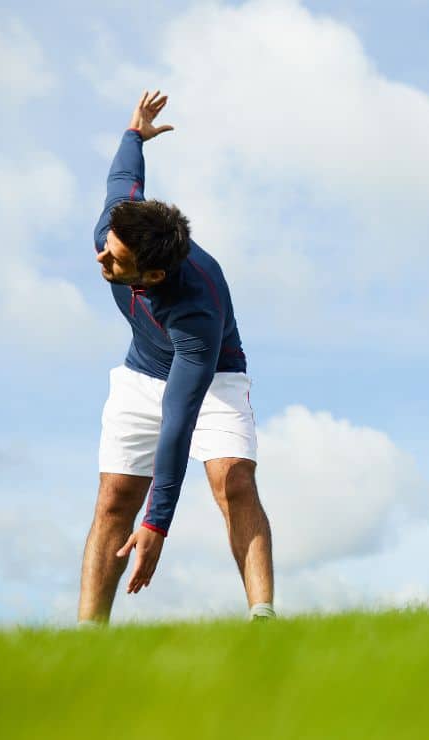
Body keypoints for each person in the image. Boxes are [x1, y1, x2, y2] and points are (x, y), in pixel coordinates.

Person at [78, 91, 275, 623]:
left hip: (211, 379)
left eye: (115, 259)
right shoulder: (113, 232)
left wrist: (157, 524)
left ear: (155, 275)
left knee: (232, 479)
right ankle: (86, 637)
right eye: (107, 245)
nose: (101, 257)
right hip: (142, 371)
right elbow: (123, 183)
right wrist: (134, 136)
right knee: (114, 498)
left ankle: (262, 619)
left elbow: (178, 422)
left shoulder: (195, 313)